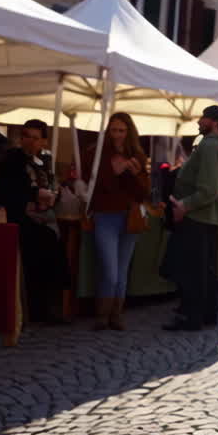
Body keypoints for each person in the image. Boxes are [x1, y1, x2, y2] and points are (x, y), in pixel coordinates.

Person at [0, 119, 69, 324]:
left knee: (55, 244)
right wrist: (35, 194)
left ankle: (50, 306)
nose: (29, 141)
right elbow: (7, 189)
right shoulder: (12, 159)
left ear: (43, 141)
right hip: (18, 218)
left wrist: (54, 194)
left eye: (35, 138)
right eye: (26, 136)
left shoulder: (44, 162)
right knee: (43, 243)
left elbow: (52, 186)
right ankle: (39, 309)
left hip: (41, 218)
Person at [164, 106, 218, 331]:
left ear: (214, 122)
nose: (199, 121)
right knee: (204, 269)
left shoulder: (210, 145)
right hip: (204, 216)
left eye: (203, 118)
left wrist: (185, 205)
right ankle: (205, 314)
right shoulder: (214, 145)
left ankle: (191, 316)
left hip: (199, 217)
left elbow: (209, 188)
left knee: (192, 270)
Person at [86, 112, 149, 331]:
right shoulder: (98, 154)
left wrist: (136, 173)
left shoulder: (138, 155)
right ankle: (103, 314)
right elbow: (94, 186)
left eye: (121, 130)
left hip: (129, 216)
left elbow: (143, 193)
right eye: (114, 130)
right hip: (106, 215)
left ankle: (116, 314)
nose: (117, 135)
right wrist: (114, 172)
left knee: (121, 270)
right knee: (110, 269)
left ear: (129, 132)